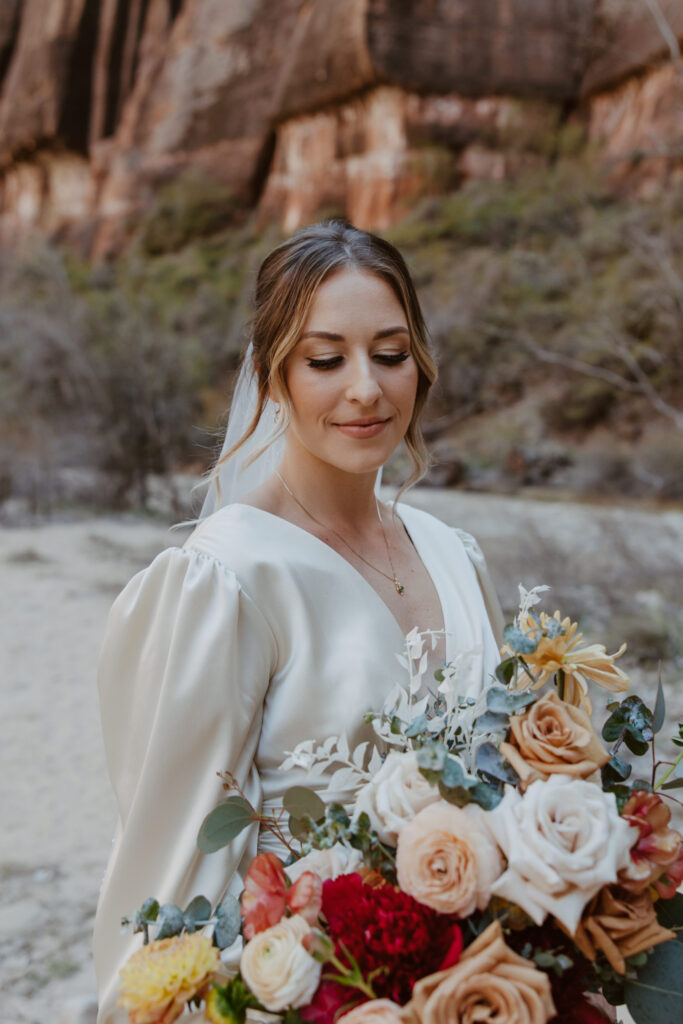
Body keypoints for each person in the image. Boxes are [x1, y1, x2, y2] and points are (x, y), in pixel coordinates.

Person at [92, 220, 504, 1023]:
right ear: (273, 375)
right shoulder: (224, 579)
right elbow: (175, 875)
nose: (365, 388)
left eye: (389, 354)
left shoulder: (454, 554)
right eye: (325, 359)